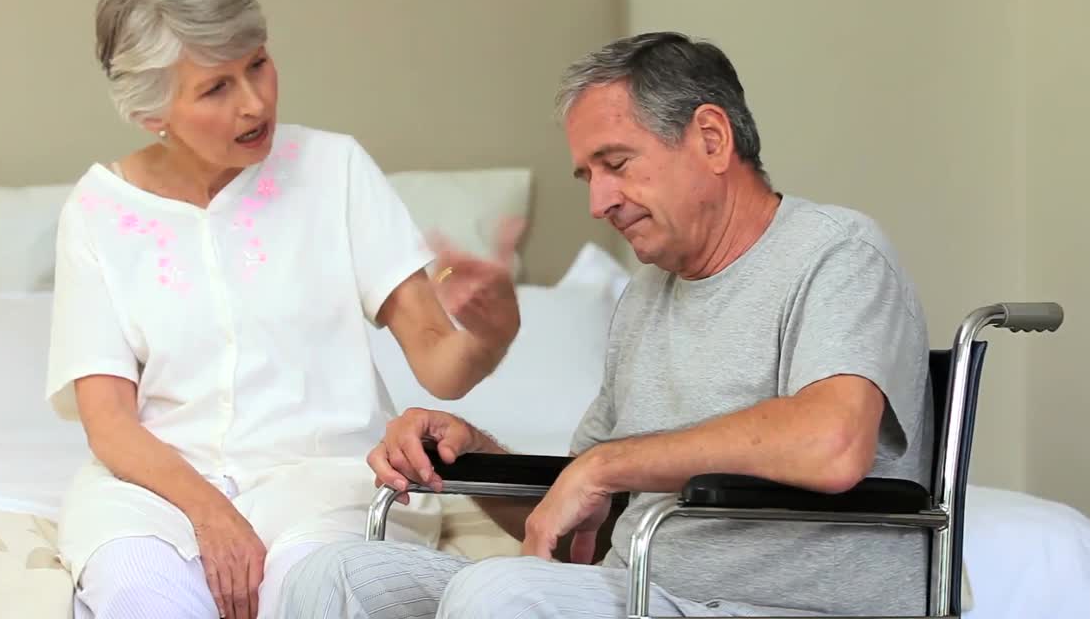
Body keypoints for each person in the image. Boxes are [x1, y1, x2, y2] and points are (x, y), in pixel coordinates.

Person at [278, 31, 933, 617]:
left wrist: (606, 467)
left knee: (501, 592)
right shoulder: (647, 296)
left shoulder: (838, 253)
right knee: (333, 574)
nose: (599, 202)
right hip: (640, 590)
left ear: (711, 138)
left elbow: (834, 441)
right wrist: (471, 449)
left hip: (775, 603)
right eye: (588, 175)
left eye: (615, 165)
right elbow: (573, 517)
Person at [44, 0, 523, 619]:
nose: (255, 102)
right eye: (216, 88)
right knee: (135, 590)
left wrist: (492, 334)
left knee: (309, 590)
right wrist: (212, 516)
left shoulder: (334, 168)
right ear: (152, 111)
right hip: (158, 489)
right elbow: (110, 423)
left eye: (259, 64)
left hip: (327, 485)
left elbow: (440, 362)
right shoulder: (98, 210)